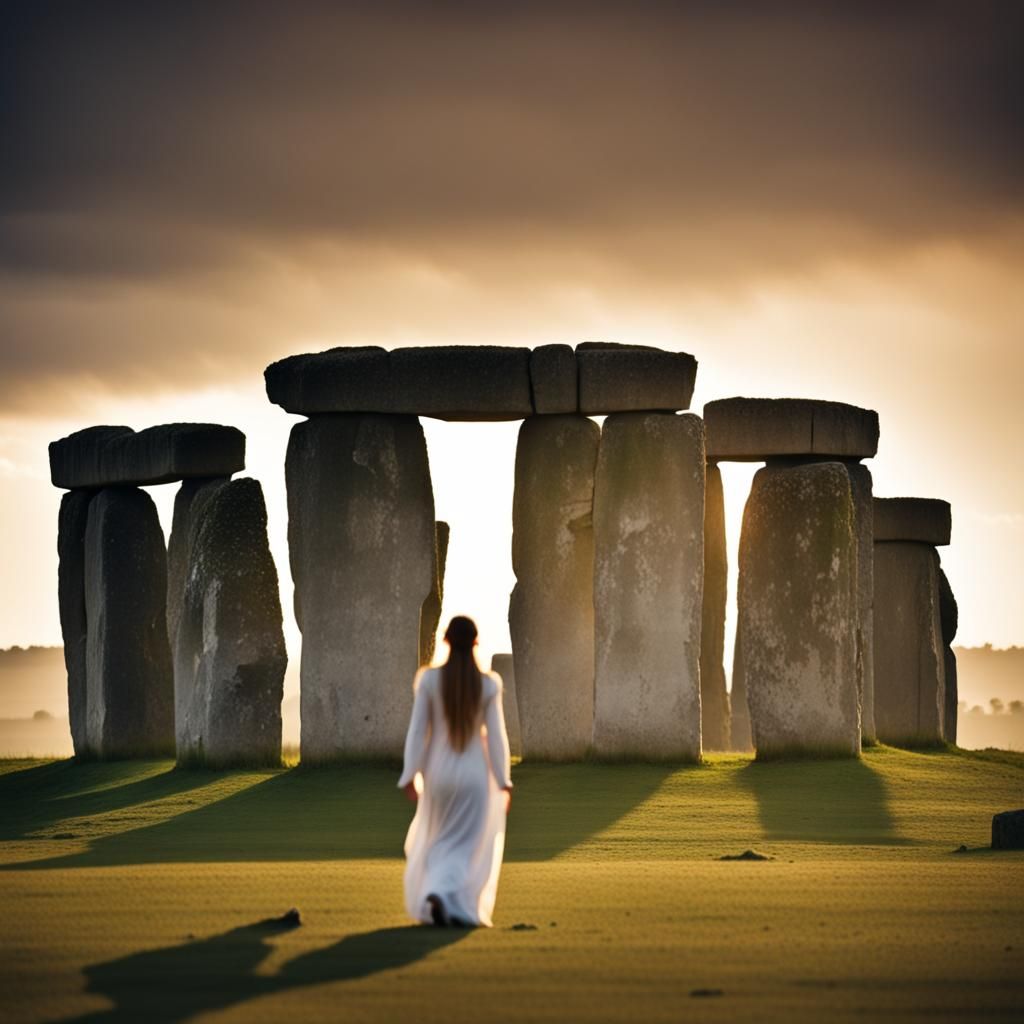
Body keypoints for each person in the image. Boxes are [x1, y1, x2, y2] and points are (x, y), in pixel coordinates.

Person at [398, 615, 513, 927]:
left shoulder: (429, 680)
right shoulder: (489, 684)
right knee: (468, 843)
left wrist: (410, 774)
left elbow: (417, 731)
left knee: (438, 838)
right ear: (476, 643)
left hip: (438, 774)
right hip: (476, 774)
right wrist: (504, 781)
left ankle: (440, 897)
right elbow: (498, 738)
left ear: (446, 640)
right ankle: (444, 894)